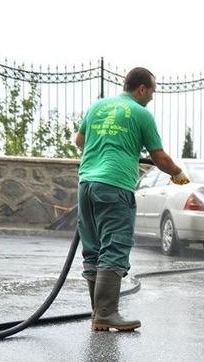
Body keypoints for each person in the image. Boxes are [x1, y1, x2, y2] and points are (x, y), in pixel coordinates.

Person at [75, 67, 189, 332]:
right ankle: (106, 313)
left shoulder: (98, 107)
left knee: (93, 248)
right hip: (115, 186)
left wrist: (109, 143)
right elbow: (159, 158)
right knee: (114, 246)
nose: (152, 97)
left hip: (86, 185)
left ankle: (99, 313)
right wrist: (178, 174)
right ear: (141, 89)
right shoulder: (141, 114)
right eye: (152, 91)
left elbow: (80, 140)